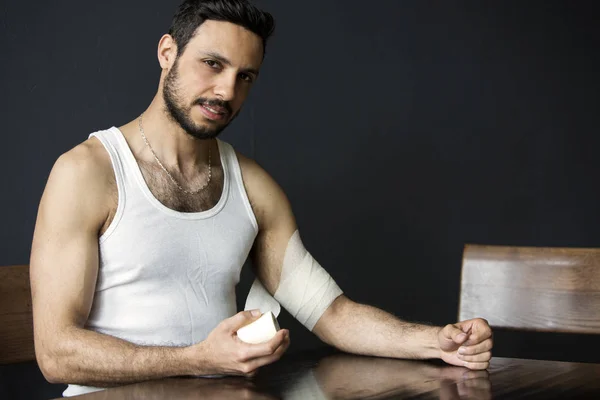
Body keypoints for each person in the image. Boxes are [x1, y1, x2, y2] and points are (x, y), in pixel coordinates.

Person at [30, 0, 493, 397]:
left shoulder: (253, 186)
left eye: (245, 76)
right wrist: (198, 357)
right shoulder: (86, 173)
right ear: (167, 52)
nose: (227, 92)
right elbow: (55, 353)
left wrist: (437, 341)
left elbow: (330, 312)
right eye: (212, 64)